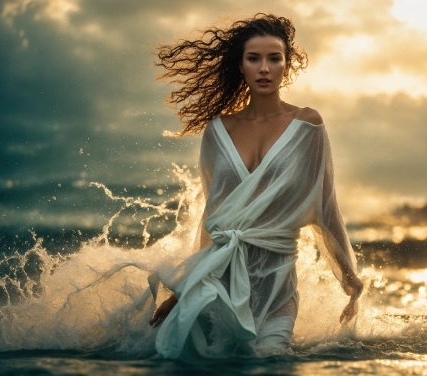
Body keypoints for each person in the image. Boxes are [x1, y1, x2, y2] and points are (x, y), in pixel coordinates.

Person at [148, 13, 363, 358]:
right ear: (242, 66)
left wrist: (349, 277)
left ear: (286, 66)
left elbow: (326, 207)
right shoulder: (217, 131)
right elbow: (212, 216)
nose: (264, 67)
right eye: (254, 58)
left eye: (274, 58)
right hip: (221, 280)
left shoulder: (308, 125)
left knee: (272, 359)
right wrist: (183, 290)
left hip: (277, 282)